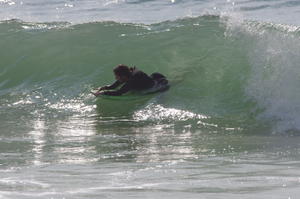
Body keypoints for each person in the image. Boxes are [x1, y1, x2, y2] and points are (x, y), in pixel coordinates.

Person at [92, 64, 168, 96]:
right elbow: (113, 86)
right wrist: (102, 88)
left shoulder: (132, 80)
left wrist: (103, 93)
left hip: (160, 84)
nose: (116, 78)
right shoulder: (127, 76)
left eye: (117, 76)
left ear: (123, 76)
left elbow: (119, 92)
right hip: (154, 77)